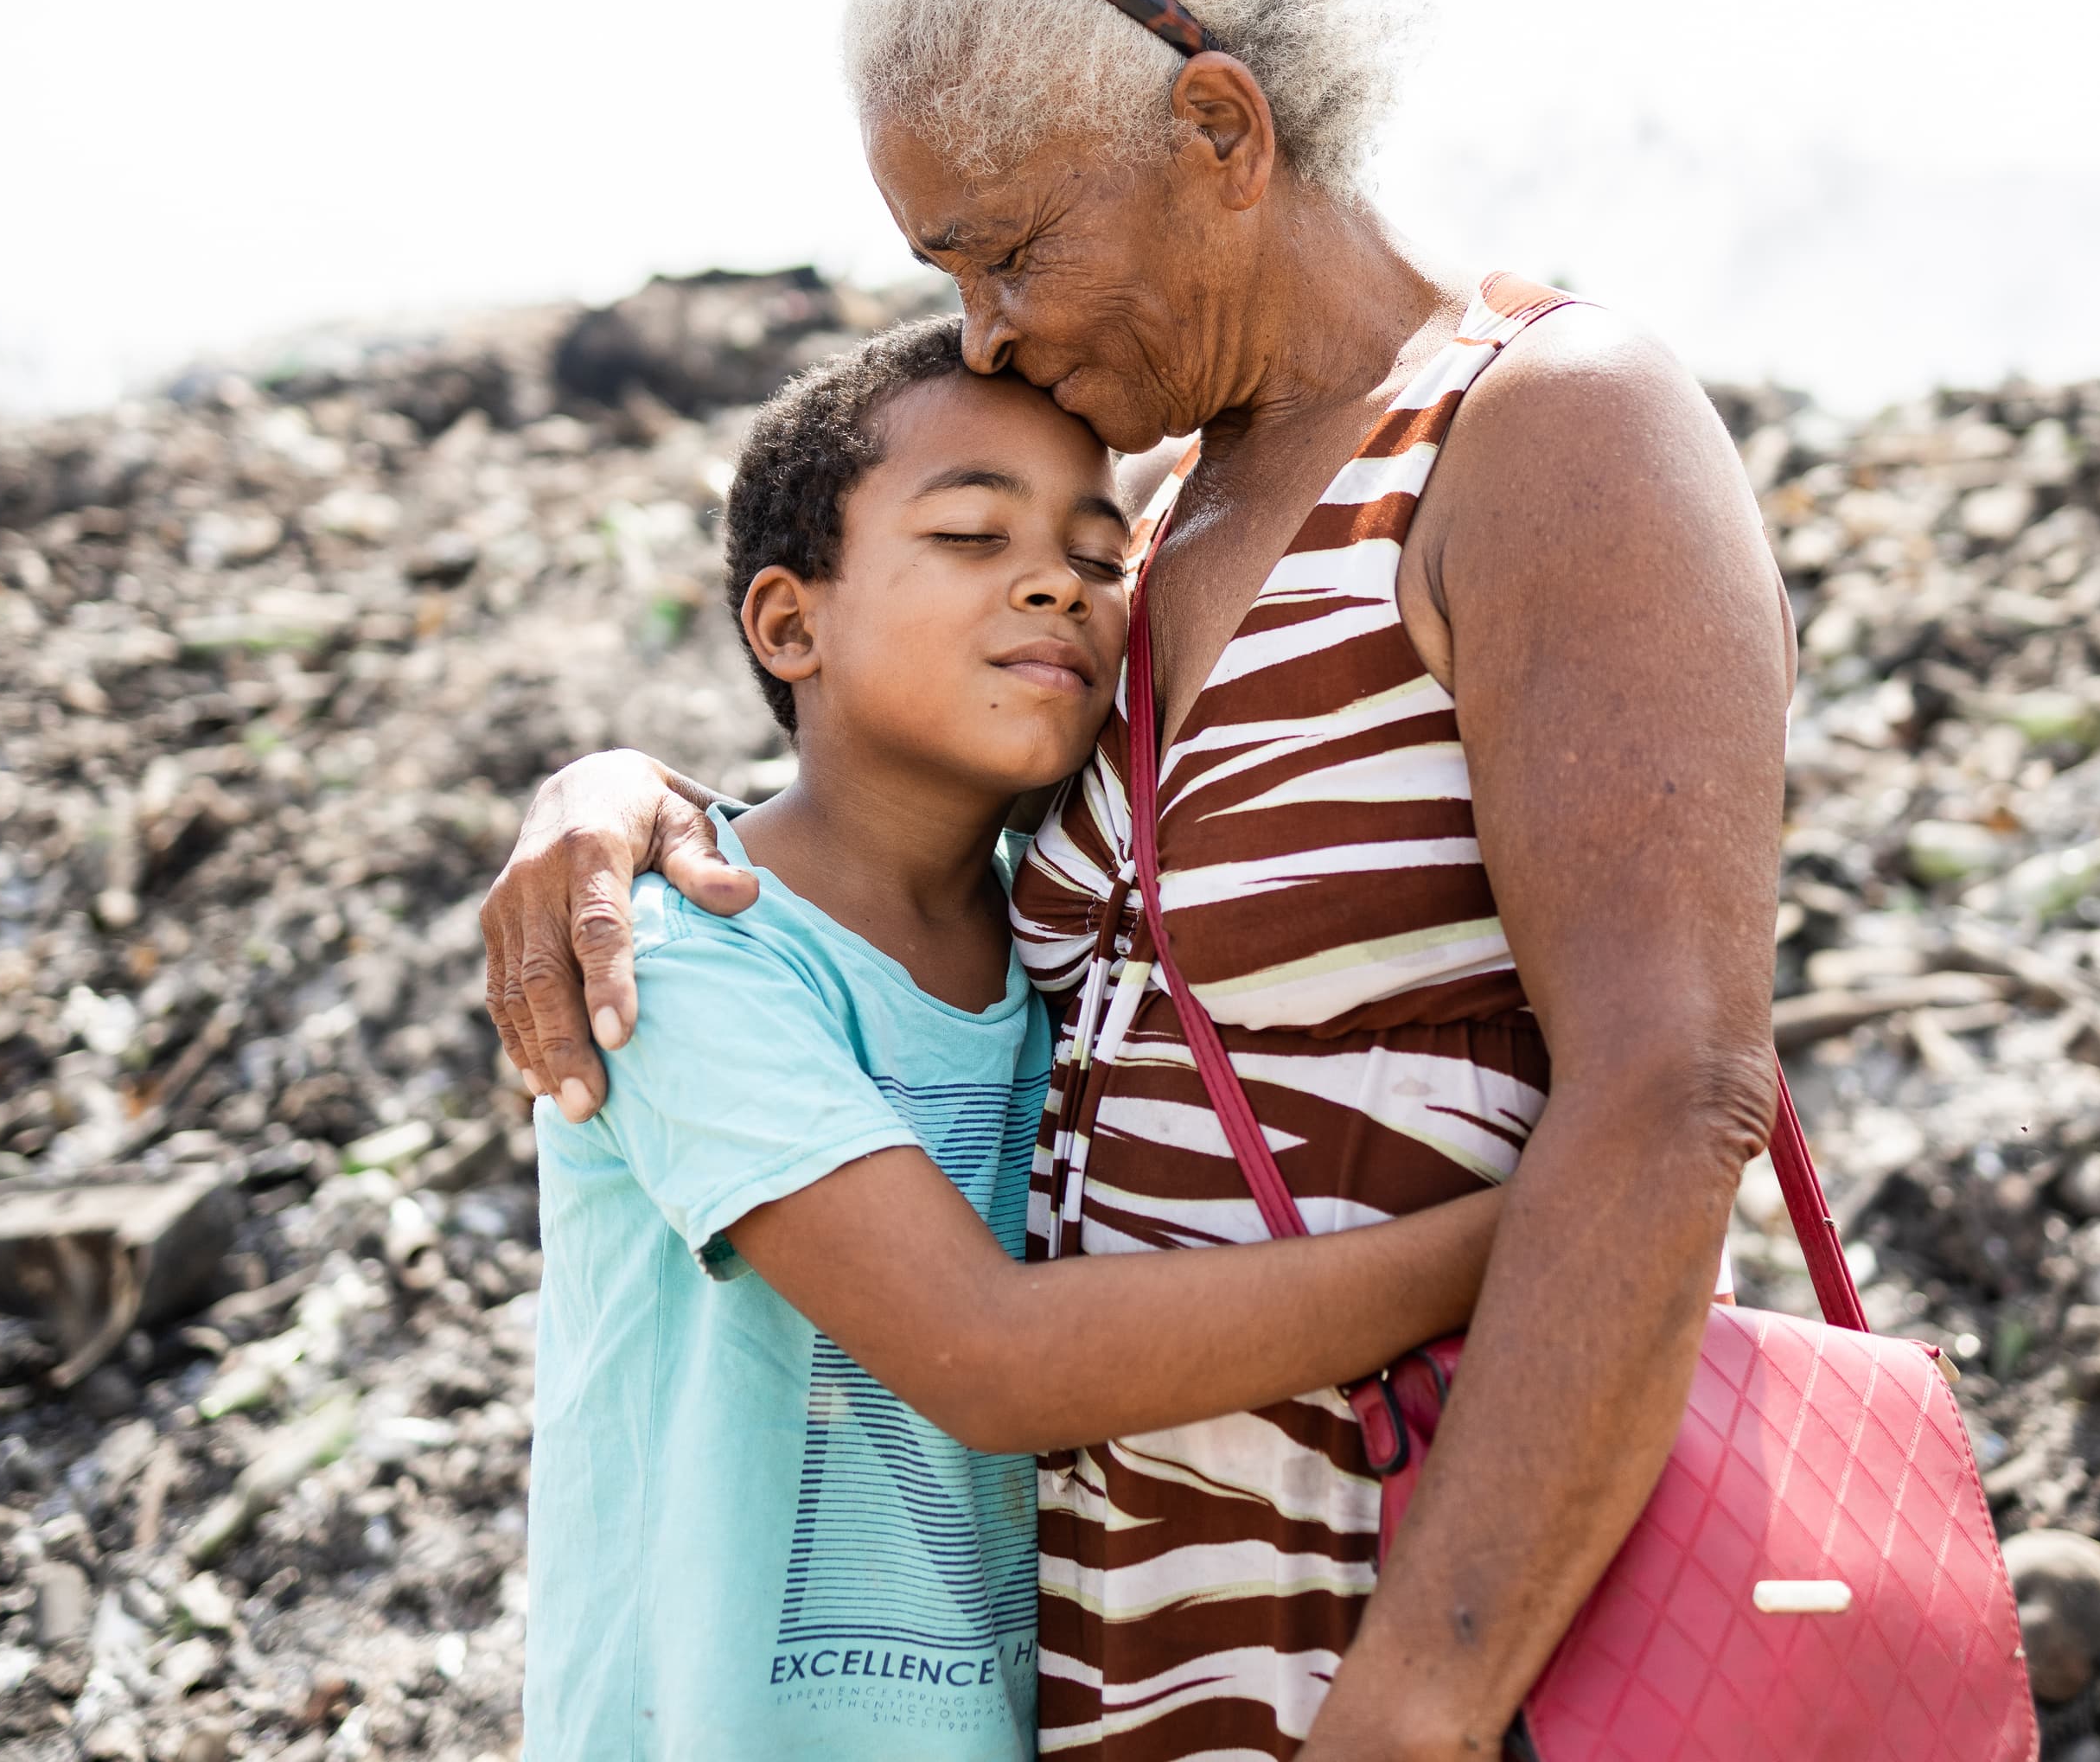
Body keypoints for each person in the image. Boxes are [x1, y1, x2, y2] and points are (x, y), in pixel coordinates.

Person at [487, 0, 1793, 1762]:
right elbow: (891, 841)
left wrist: (1421, 1695)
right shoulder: (1134, 528)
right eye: (943, 271)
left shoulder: (1546, 432)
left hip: (1443, 1672)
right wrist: (616, 785)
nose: (984, 332)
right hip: (1117, 1681)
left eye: (1004, 249)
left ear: (1217, 131)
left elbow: (1672, 1088)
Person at [527, 317, 1503, 1762]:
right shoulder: (690, 964)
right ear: (791, 625)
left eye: (1102, 560)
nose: (1057, 580)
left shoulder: (1066, 942)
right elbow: (992, 1361)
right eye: (972, 534)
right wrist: (1537, 1236)